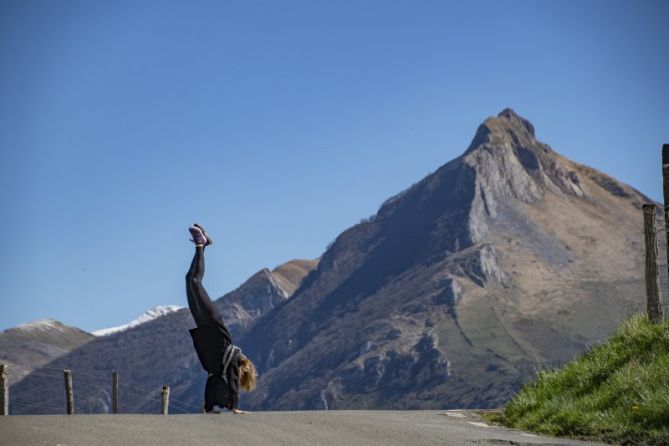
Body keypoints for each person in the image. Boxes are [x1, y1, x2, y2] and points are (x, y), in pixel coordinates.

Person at [186, 223, 257, 414]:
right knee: (194, 281)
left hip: (202, 325)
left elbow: (211, 383)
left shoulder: (217, 369)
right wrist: (234, 407)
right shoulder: (233, 357)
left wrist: (208, 408)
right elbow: (232, 381)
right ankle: (201, 244)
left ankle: (203, 244)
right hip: (212, 320)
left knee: (188, 279)